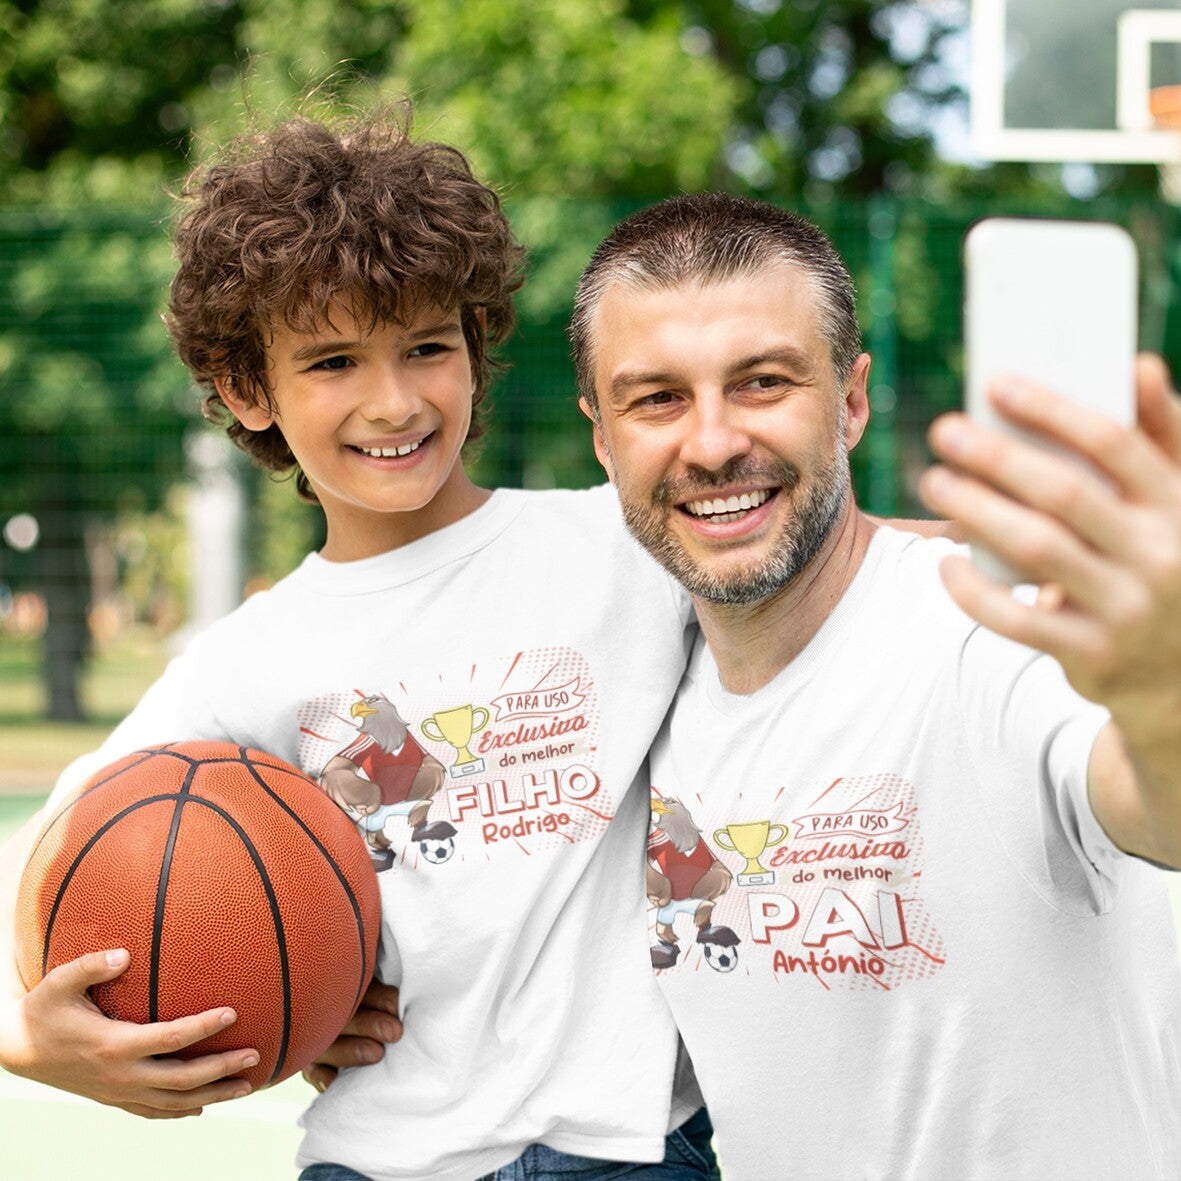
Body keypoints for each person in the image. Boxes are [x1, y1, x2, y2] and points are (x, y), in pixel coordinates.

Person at [0, 109, 721, 1181]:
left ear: (474, 348)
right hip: (381, 1156)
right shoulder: (248, 659)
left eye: (425, 346)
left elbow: (857, 563)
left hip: (629, 1149)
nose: (393, 400)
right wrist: (32, 1044)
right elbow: (49, 862)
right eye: (332, 360)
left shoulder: (620, 541)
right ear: (249, 390)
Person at [568, 192, 1181, 1179]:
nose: (713, 440)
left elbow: (1156, 804)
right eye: (657, 399)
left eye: (762, 382)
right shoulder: (630, 712)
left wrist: (1160, 691)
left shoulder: (992, 636)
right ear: (602, 438)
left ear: (849, 401)